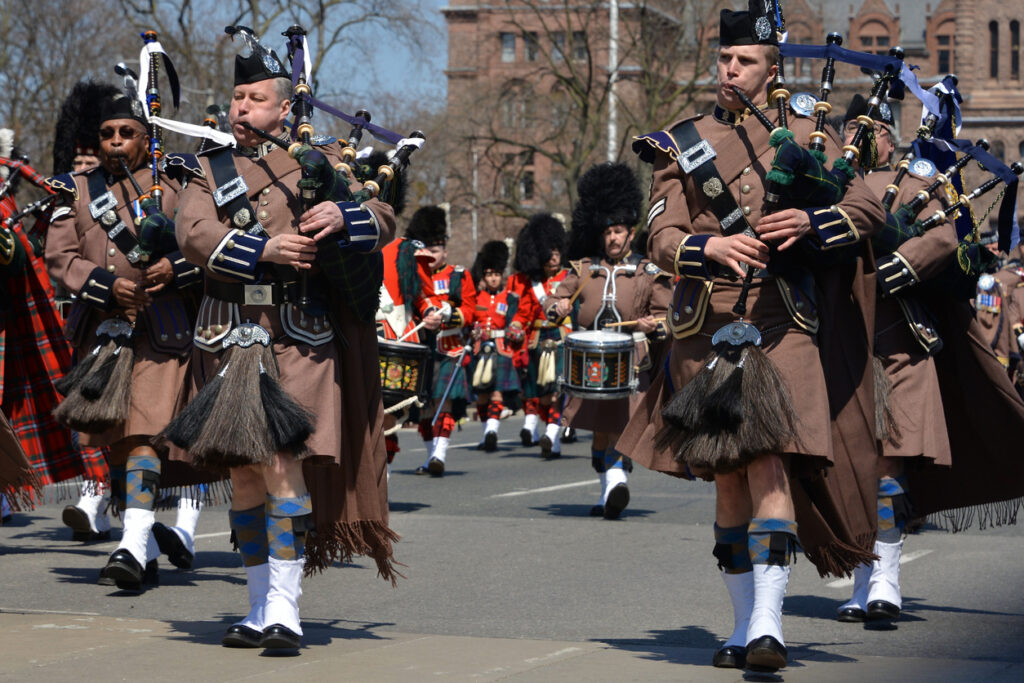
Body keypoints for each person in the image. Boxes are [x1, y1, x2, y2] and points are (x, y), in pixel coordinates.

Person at [621, 7, 886, 672]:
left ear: (774, 69)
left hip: (781, 321)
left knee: (769, 460)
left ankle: (770, 623)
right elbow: (659, 237)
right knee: (728, 477)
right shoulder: (679, 142)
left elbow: (867, 208)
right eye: (724, 60)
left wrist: (813, 218)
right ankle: (743, 624)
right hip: (707, 328)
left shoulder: (806, 133)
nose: (728, 71)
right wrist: (709, 243)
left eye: (743, 61)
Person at [172, 33, 399, 650]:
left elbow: (383, 218)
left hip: (300, 339)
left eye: (255, 98)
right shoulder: (210, 166)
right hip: (229, 336)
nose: (242, 108)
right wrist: (264, 248)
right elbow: (192, 232)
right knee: (245, 474)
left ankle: (285, 607)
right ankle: (255, 607)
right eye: (237, 96)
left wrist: (342, 216)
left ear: (285, 106)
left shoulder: (325, 158)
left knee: (278, 466)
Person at [45, 88, 214, 590]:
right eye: (106, 134)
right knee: (116, 442)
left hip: (163, 332)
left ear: (147, 137)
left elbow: (204, 242)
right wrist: (105, 285)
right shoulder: (73, 189)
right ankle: (140, 544)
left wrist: (175, 268)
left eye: (126, 133)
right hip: (103, 331)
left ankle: (130, 544)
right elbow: (61, 258)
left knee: (142, 434)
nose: (115, 143)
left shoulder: (179, 185)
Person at [834, 95, 955, 623]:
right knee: (853, 466)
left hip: (899, 339)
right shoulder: (830, 182)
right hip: (841, 341)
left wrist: (899, 265)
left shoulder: (915, 183)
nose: (867, 137)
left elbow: (945, 236)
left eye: (877, 129)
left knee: (888, 461)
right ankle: (863, 579)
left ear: (890, 135)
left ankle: (886, 577)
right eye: (857, 128)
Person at [545, 162, 672, 519]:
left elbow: (669, 318)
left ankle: (616, 481)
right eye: (608, 232)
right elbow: (552, 301)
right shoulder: (583, 270)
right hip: (590, 361)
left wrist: (653, 325)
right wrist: (557, 306)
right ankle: (607, 491)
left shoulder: (649, 272)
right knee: (600, 430)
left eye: (619, 231)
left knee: (622, 426)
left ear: (631, 233)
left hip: (632, 359)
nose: (613, 238)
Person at [407, 206, 475, 476]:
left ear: (445, 250)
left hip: (449, 348)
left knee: (443, 402)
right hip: (421, 348)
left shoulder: (458, 275)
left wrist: (451, 313)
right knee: (423, 407)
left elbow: (470, 309)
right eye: (428, 249)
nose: (432, 255)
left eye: (436, 250)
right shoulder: (411, 274)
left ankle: (440, 453)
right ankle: (430, 456)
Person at [506, 214, 571, 458]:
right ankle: (551, 438)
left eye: (557, 250)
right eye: (549, 251)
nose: (554, 256)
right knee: (543, 395)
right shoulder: (528, 283)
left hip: (562, 337)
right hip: (537, 340)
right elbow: (521, 313)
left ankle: (552, 434)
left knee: (557, 391)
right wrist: (514, 326)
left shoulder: (568, 277)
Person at [468, 240, 523, 451]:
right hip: (480, 348)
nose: (493, 278)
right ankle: (485, 433)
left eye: (497, 274)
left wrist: (515, 332)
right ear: (484, 275)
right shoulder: (476, 296)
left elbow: (516, 321)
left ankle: (492, 431)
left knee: (497, 393)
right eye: (489, 274)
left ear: (502, 276)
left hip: (501, 348)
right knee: (482, 395)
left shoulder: (510, 298)